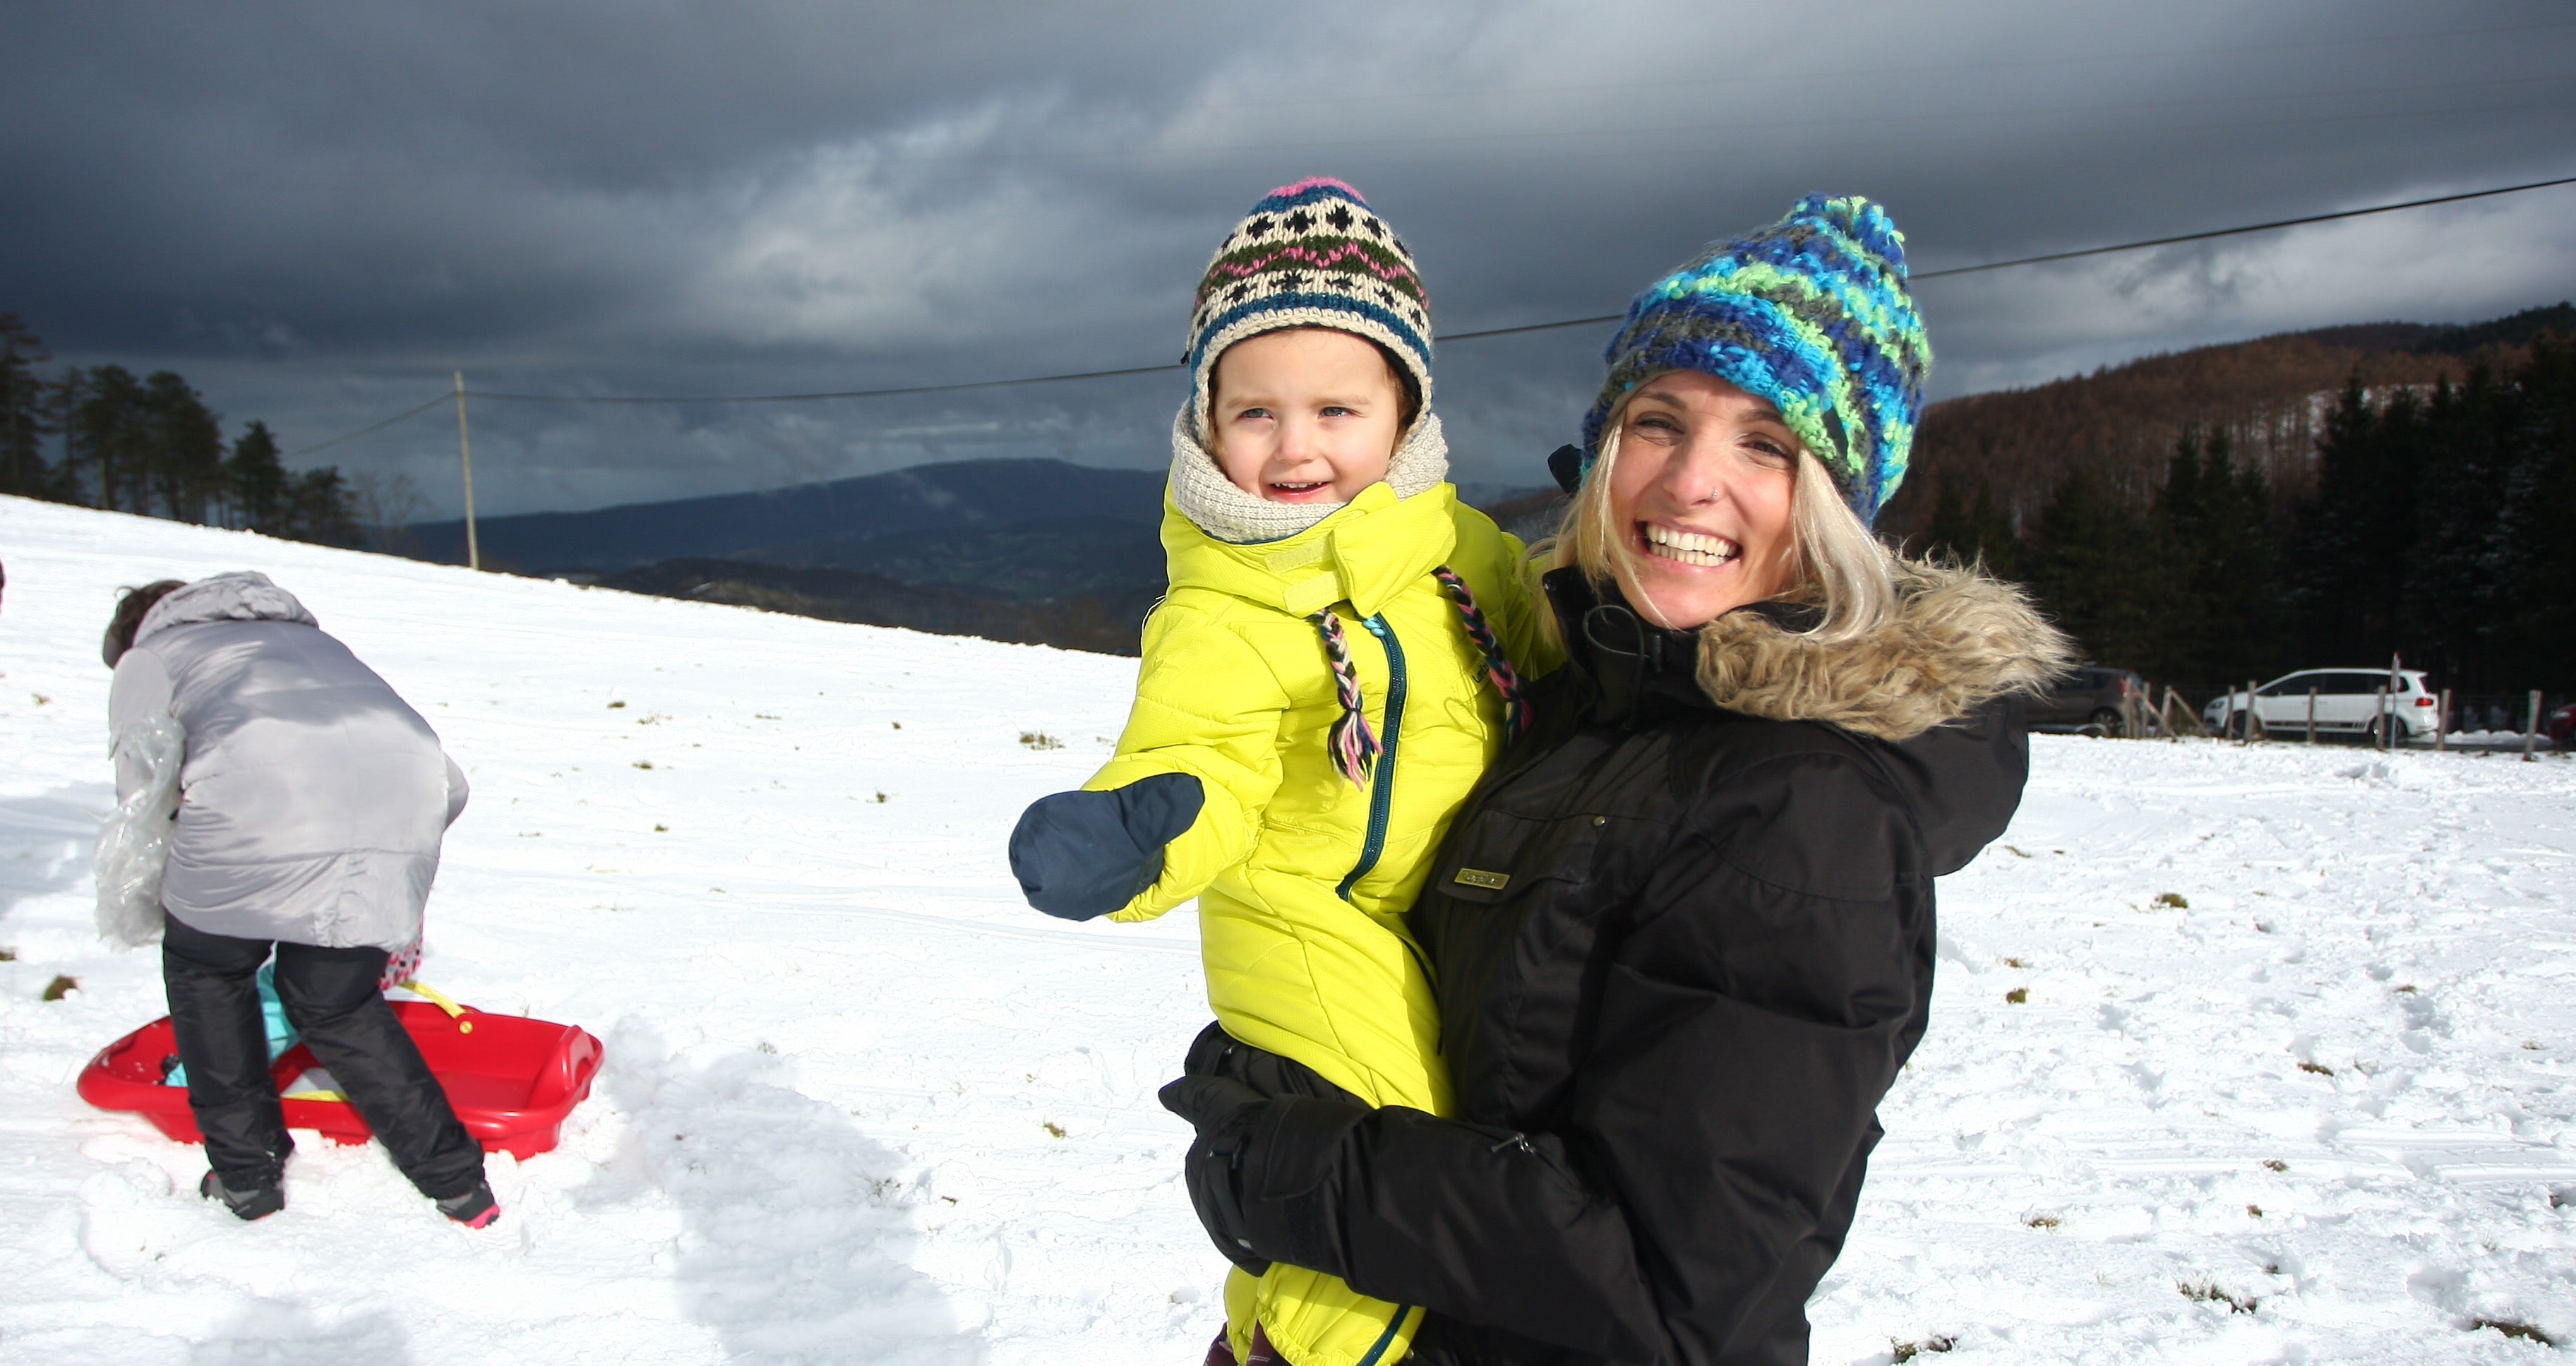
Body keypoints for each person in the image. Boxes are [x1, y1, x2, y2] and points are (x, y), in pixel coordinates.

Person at [1158, 196, 2074, 1365]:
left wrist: (1287, 1171)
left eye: (1765, 445)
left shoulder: (1799, 811)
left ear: (1837, 508)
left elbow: (1669, 1285)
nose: (1691, 483)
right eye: (1659, 422)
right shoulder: (1588, 698)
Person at [1008, 179, 1553, 1366]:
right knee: (1385, 1153)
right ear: (1206, 421)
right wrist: (1136, 829)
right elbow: (1197, 752)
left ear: (1401, 412)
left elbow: (1545, 651)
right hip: (1303, 925)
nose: (1294, 447)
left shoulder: (1462, 551)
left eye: (1334, 409)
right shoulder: (1221, 604)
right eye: (1253, 413)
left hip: (1443, 906)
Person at [100, 571, 496, 1226]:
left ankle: (247, 1176)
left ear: (136, 632)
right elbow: (443, 781)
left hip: (249, 807)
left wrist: (158, 898)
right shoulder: (307, 640)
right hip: (407, 799)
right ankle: (458, 1183)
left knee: (209, 971)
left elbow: (142, 790)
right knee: (336, 1003)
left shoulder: (149, 655)